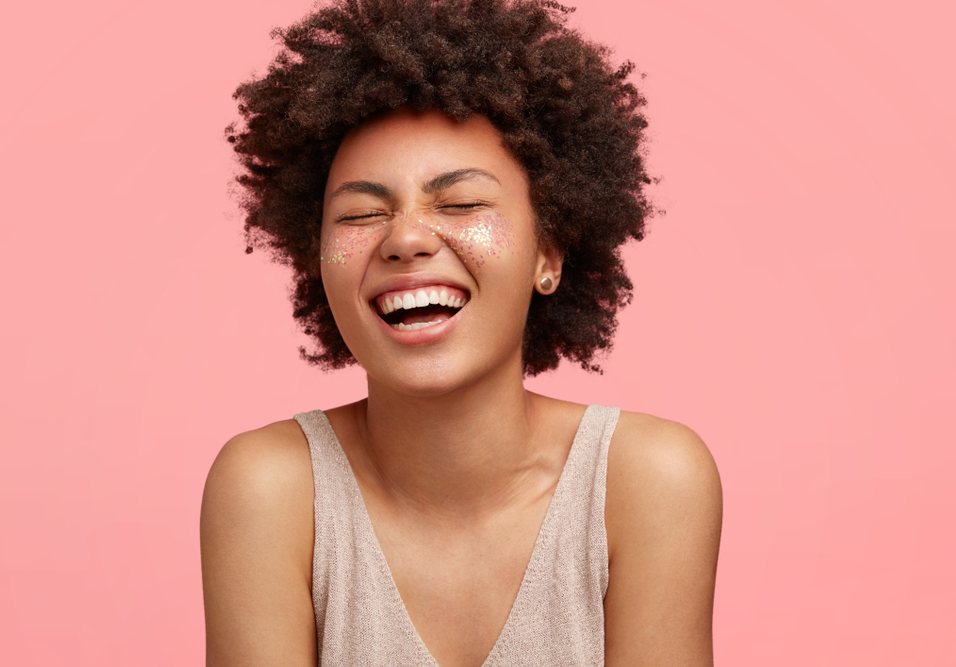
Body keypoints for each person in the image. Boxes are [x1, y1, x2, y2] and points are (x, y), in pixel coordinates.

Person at [200, 0, 722, 665]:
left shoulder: (648, 482)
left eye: (462, 203)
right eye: (361, 212)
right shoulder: (270, 488)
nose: (406, 238)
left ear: (549, 254)